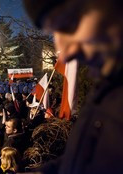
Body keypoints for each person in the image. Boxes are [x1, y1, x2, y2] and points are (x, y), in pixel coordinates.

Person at [23, 0, 123, 174]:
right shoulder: (106, 87)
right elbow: (88, 158)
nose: (66, 54)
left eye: (70, 24)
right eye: (53, 32)